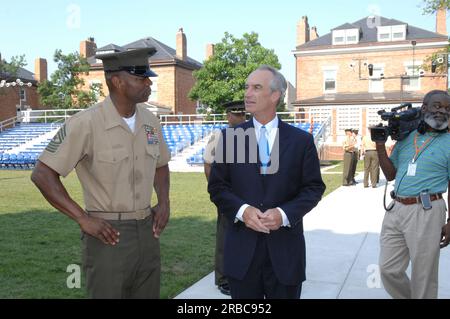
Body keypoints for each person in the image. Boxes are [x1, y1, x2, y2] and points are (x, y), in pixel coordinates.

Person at [31, 48, 171, 299]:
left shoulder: (151, 121)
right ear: (117, 81)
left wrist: (164, 201)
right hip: (109, 235)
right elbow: (42, 174)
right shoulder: (85, 123)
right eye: (141, 78)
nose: (149, 82)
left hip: (148, 231)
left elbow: (161, 164)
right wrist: (82, 219)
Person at [208, 65, 325, 299]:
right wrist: (243, 211)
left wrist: (283, 214)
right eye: (246, 87)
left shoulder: (301, 141)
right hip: (242, 255)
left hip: (285, 255)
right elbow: (218, 187)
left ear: (275, 96)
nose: (247, 93)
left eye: (256, 87)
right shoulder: (230, 138)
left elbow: (313, 188)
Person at [376, 89, 450, 299]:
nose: (442, 111)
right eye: (437, 106)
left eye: (447, 108)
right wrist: (380, 146)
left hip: (427, 210)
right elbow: (390, 174)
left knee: (423, 275)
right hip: (396, 209)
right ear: (424, 108)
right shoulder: (408, 138)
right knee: (388, 269)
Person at [204, 100, 246, 296]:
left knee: (244, 235)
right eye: (236, 116)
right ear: (228, 116)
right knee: (225, 236)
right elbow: (208, 167)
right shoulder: (217, 137)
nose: (240, 119)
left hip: (248, 195)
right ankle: (224, 278)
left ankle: (242, 273)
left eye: (242, 116)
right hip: (227, 195)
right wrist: (218, 193)